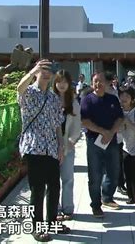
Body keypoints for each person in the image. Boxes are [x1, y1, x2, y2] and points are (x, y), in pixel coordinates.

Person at [17, 59, 70, 242]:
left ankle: (52, 222)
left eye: (49, 70)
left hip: (51, 148)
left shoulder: (54, 98)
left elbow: (57, 125)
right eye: (43, 69)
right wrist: (33, 70)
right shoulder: (29, 92)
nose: (47, 73)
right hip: (34, 147)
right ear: (38, 71)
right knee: (37, 189)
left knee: (55, 187)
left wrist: (61, 146)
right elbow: (19, 89)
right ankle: (36, 227)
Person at [80, 71, 124, 217]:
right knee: (95, 175)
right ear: (92, 84)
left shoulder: (112, 99)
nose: (98, 84)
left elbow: (120, 118)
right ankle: (96, 205)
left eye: (100, 81)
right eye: (95, 81)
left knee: (114, 171)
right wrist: (102, 132)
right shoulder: (87, 99)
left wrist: (110, 133)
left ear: (106, 83)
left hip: (111, 141)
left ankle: (107, 197)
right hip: (94, 142)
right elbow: (84, 120)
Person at [53, 70, 82, 222]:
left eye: (64, 81)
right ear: (55, 83)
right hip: (50, 147)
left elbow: (77, 125)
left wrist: (71, 140)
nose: (62, 84)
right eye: (59, 81)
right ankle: (55, 209)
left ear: (69, 83)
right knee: (52, 180)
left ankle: (68, 208)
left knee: (68, 178)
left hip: (68, 147)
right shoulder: (50, 100)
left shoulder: (74, 103)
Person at [105, 71, 127, 194]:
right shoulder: (100, 95)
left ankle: (120, 184)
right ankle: (108, 189)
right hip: (105, 134)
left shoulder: (116, 92)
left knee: (118, 161)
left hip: (117, 134)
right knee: (107, 164)